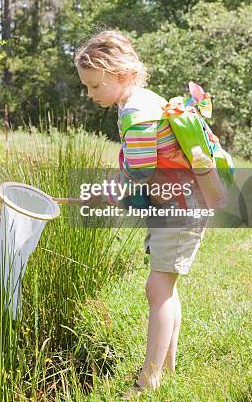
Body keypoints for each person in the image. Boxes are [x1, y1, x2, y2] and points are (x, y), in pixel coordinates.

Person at [75, 29, 206, 398]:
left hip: (181, 204)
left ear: (120, 75)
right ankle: (167, 368)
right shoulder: (135, 102)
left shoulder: (136, 110)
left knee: (157, 288)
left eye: (94, 85)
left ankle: (148, 380)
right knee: (165, 286)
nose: (89, 94)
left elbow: (140, 172)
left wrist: (105, 194)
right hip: (175, 202)